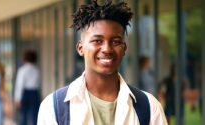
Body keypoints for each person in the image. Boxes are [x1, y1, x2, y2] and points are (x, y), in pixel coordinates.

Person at [37, 0, 167, 125]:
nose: (107, 49)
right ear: (80, 48)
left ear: (124, 48)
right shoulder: (54, 107)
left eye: (115, 41)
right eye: (97, 41)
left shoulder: (149, 107)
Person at [14, 50, 41, 125]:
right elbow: (39, 83)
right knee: (35, 115)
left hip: (25, 93)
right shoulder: (37, 70)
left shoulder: (22, 70)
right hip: (35, 93)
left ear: (24, 58)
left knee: (23, 115)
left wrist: (17, 98)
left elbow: (20, 85)